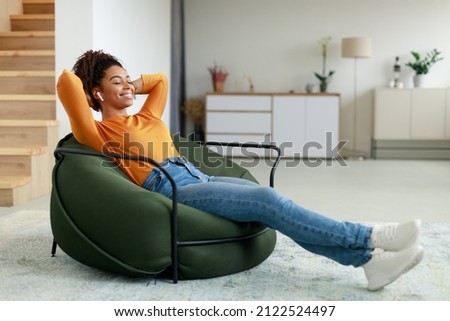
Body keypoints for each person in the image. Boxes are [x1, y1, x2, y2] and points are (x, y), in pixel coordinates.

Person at [57, 50, 424, 291]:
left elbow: (161, 81)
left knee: (274, 207)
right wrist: (92, 75)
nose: (128, 87)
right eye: (115, 82)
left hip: (197, 176)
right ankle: (371, 235)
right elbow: (66, 84)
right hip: (170, 186)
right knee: (267, 199)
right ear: (97, 93)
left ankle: (369, 262)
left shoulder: (147, 115)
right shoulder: (97, 133)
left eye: (128, 81)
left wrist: (132, 83)